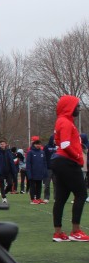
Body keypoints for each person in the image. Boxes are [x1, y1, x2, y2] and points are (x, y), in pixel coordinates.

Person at [50, 95, 88, 242]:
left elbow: (58, 142)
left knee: (61, 198)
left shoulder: (61, 121)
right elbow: (65, 145)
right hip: (67, 162)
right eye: (77, 106)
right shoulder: (66, 122)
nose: (79, 109)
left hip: (60, 162)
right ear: (69, 107)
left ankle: (58, 233)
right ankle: (76, 231)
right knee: (81, 194)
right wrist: (78, 156)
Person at [0, 140, 16, 205]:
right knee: (2, 184)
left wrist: (14, 169)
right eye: (1, 144)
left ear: (5, 144)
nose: (2, 145)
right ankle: (4, 197)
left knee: (10, 184)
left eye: (3, 144)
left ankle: (4, 192)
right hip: (0, 172)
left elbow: (11, 161)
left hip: (8, 171)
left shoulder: (8, 152)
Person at [26, 136, 48, 205]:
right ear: (34, 145)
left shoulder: (42, 152)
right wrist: (29, 173)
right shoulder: (30, 152)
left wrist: (45, 172)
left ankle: (38, 198)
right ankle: (32, 199)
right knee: (32, 186)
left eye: (39, 144)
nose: (38, 145)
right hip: (32, 173)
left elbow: (44, 163)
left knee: (39, 186)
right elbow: (28, 164)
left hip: (40, 173)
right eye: (37, 144)